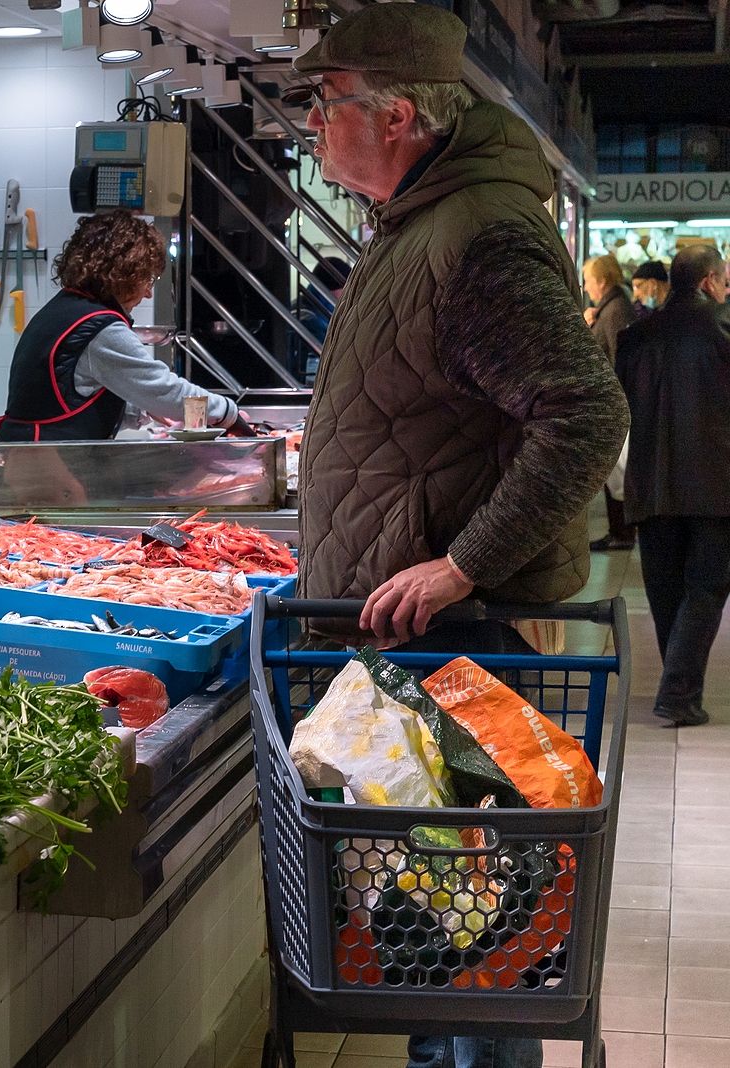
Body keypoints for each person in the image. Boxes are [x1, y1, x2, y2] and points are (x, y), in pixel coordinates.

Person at [292, 6, 627, 1065]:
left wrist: (459, 564)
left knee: (476, 945)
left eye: (323, 98)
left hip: (456, 651)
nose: (310, 122)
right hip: (411, 651)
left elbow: (585, 414)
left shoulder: (477, 231)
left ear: (394, 116)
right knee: (442, 937)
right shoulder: (418, 224)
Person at [0, 211, 247, 442]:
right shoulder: (100, 328)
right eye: (148, 278)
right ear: (123, 273)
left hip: (27, 459)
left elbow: (69, 400)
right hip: (48, 470)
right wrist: (229, 414)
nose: (148, 293)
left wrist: (142, 411)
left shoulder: (63, 309)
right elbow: (165, 389)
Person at [615, 245, 730, 728]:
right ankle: (679, 691)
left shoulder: (634, 338)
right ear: (707, 281)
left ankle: (677, 686)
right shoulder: (723, 332)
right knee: (705, 589)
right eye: (724, 279)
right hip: (714, 487)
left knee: (664, 590)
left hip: (650, 485)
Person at [581, 254, 638, 551]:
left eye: (589, 280)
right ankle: (620, 531)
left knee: (618, 473)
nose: (586, 287)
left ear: (602, 281)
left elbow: (619, 357)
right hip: (616, 400)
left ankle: (623, 533)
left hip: (617, 402)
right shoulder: (611, 307)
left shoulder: (615, 310)